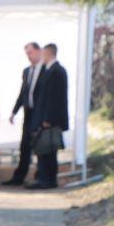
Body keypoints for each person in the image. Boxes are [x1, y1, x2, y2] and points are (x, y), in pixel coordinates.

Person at [30, 44, 70, 187]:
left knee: (48, 151)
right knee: (45, 151)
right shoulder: (51, 70)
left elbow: (54, 98)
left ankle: (47, 180)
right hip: (47, 117)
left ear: (49, 53)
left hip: (50, 120)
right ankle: (45, 178)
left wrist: (48, 118)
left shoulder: (56, 71)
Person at [7, 42, 43, 185]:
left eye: (31, 53)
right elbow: (23, 93)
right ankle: (19, 177)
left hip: (40, 113)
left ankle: (40, 175)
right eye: (27, 54)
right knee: (25, 145)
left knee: (40, 145)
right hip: (28, 113)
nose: (29, 56)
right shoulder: (27, 71)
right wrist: (14, 111)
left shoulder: (46, 69)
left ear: (39, 51)